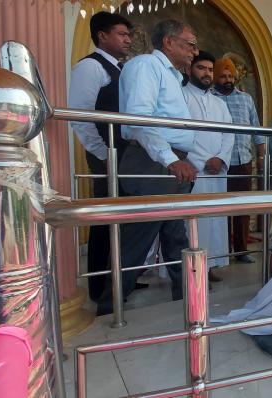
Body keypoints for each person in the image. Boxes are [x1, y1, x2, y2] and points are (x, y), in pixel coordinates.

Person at [98, 19, 202, 315]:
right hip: (153, 162)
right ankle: (109, 309)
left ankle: (186, 301)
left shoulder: (173, 77)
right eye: (190, 44)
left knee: (176, 236)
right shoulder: (146, 65)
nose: (195, 52)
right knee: (136, 240)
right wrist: (170, 160)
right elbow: (141, 119)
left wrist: (178, 158)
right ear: (168, 41)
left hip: (170, 162)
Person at [67, 11, 133, 301]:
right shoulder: (91, 68)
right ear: (102, 35)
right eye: (122, 34)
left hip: (123, 154)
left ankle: (119, 277)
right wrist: (103, 153)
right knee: (105, 219)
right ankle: (99, 287)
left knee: (124, 218)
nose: (128, 40)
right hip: (107, 154)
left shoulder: (120, 68)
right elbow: (79, 116)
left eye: (128, 35)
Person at [183, 51, 235, 282]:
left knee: (215, 220)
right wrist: (203, 161)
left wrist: (221, 158)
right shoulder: (180, 96)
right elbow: (181, 134)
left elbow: (230, 134)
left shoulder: (219, 102)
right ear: (189, 70)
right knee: (194, 220)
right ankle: (190, 269)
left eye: (210, 69)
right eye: (201, 68)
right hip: (193, 170)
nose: (207, 73)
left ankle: (211, 265)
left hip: (217, 171)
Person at [211, 57, 264, 264]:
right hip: (219, 163)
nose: (227, 79)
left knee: (241, 208)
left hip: (243, 160)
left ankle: (242, 251)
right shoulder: (211, 98)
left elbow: (256, 128)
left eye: (230, 76)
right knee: (221, 209)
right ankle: (222, 252)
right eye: (223, 76)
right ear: (216, 78)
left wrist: (261, 156)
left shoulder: (246, 98)